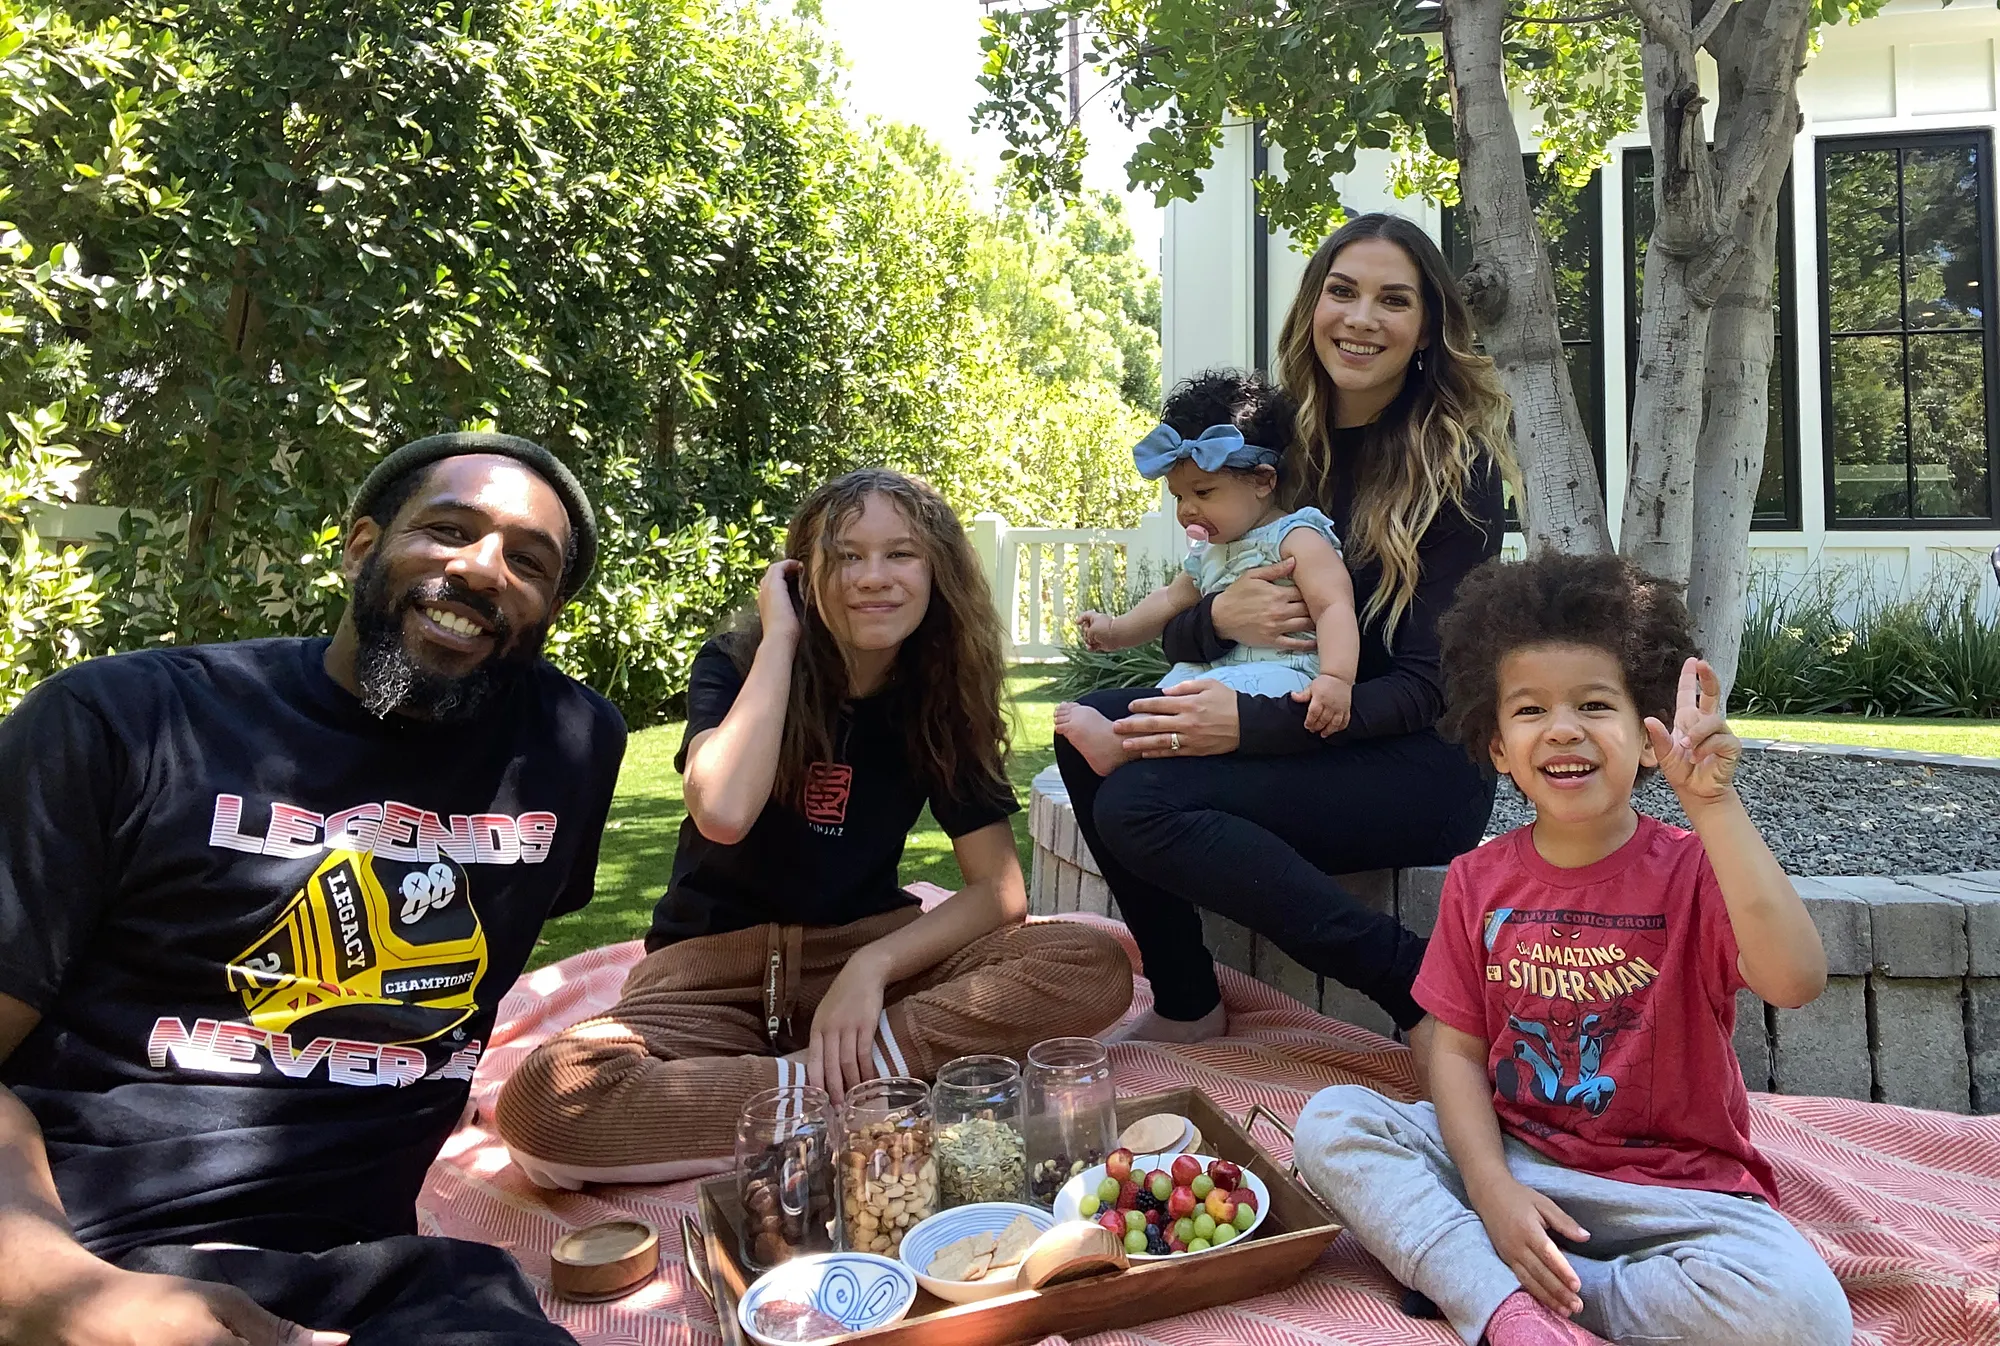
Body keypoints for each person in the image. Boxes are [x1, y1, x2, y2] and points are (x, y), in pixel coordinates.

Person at [0, 431, 628, 1346]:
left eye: (528, 562)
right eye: (448, 529)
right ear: (361, 545)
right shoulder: (125, 722)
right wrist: (47, 1289)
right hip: (92, 1250)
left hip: (375, 1277)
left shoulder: (568, 747)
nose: (485, 569)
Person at [495, 469, 1132, 1187]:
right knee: (551, 1099)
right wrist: (780, 641)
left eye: (901, 554)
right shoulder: (739, 661)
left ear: (938, 572)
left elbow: (999, 889)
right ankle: (829, 1089)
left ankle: (795, 1089)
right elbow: (724, 812)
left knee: (1093, 960)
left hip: (864, 959)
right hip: (711, 973)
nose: (874, 577)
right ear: (804, 572)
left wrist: (873, 967)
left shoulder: (939, 691)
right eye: (847, 556)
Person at [1290, 554, 1849, 1346]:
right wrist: (1489, 1190)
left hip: (1674, 1194)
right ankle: (1513, 1307)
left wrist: (1714, 806)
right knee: (1331, 1121)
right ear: (1494, 744)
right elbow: (1454, 1052)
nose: (1561, 728)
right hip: (1515, 1164)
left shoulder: (1696, 869)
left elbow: (1796, 979)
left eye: (1594, 703)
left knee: (1802, 1315)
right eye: (1529, 710)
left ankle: (1490, 1281)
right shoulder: (1476, 880)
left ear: (1649, 734)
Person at [1052, 212, 1517, 1042]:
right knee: (1088, 736)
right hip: (1290, 716)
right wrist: (1214, 624)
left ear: (1426, 330)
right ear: (1312, 307)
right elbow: (1201, 607)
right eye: (1342, 291)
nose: (1361, 318)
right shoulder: (1273, 447)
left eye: (1393, 300)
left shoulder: (1457, 469)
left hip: (1412, 764)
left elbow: (1431, 687)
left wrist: (1252, 725)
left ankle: (1410, 983)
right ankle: (1189, 1003)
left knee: (1139, 802)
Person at [1057, 371, 1360, 774]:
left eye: (1203, 492)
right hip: (1221, 672)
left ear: (1262, 482)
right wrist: (1115, 631)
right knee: (1169, 702)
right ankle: (1131, 748)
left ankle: (1124, 748)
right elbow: (1170, 599)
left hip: (1282, 679)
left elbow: (1333, 605)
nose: (1186, 509)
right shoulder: (1207, 553)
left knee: (1184, 712)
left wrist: (1337, 679)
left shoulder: (1295, 536)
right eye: (1179, 496)